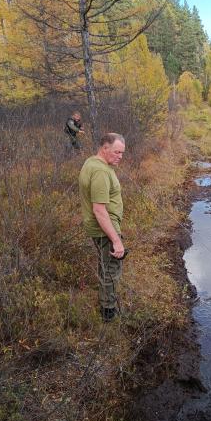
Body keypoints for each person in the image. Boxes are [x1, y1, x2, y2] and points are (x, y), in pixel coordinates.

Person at [79, 133, 126, 322]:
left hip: (101, 228)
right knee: (112, 270)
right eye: (116, 152)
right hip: (104, 230)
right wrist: (116, 240)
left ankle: (107, 302)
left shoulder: (92, 162)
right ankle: (108, 311)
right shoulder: (100, 172)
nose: (120, 156)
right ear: (104, 148)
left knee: (105, 265)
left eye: (122, 153)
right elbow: (99, 210)